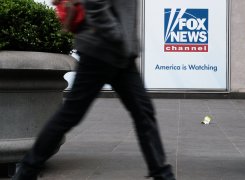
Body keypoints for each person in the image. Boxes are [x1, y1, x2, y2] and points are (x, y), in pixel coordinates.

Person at [12, 0, 176, 179]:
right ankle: (27, 170)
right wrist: (116, 34)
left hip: (122, 54)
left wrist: (127, 42)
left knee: (144, 113)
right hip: (100, 50)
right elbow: (94, 3)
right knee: (70, 114)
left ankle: (162, 174)